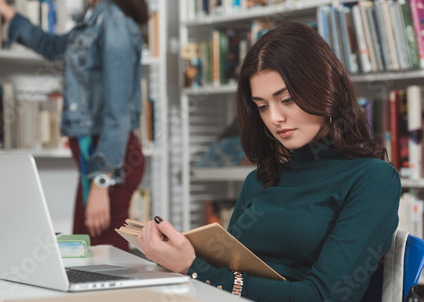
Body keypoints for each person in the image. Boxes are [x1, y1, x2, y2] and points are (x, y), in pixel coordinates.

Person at [138, 22, 401, 301]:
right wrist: (182, 258)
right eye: (262, 106)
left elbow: (325, 296)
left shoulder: (374, 179)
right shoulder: (261, 179)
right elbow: (229, 269)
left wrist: (194, 268)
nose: (274, 117)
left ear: (325, 89)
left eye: (286, 99)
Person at [0, 0, 148, 252]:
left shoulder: (115, 23)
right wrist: (2, 6)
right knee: (86, 255)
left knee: (104, 263)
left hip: (109, 163)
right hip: (92, 160)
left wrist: (101, 182)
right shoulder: (93, 19)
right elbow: (51, 46)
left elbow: (117, 111)